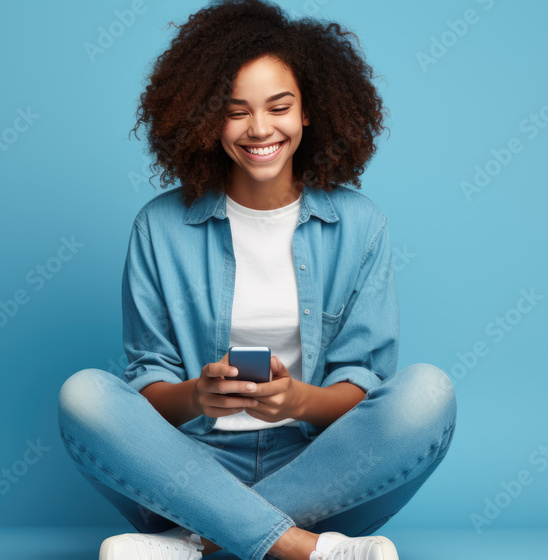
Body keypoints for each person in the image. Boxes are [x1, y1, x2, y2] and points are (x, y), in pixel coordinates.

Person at [57, 1, 457, 559]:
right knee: (84, 395)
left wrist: (298, 400)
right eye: (236, 110)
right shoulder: (159, 226)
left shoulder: (360, 225)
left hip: (321, 469)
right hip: (190, 466)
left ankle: (197, 541)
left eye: (279, 106)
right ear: (204, 116)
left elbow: (364, 386)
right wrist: (199, 395)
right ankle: (305, 550)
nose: (260, 129)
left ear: (308, 112)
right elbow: (147, 386)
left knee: (427, 394)